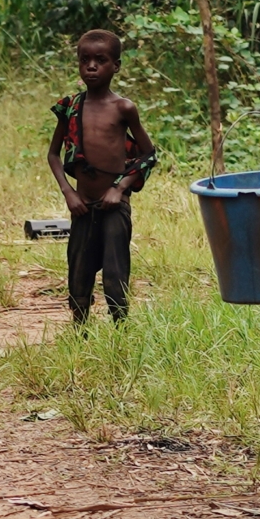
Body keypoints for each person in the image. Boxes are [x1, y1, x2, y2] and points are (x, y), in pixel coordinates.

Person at [47, 29, 157, 324]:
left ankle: (120, 334)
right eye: (85, 60)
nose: (91, 66)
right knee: (79, 275)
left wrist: (119, 188)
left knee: (115, 273)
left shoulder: (123, 108)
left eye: (100, 60)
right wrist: (69, 193)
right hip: (82, 206)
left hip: (113, 208)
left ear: (116, 66)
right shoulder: (70, 107)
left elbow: (149, 154)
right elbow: (53, 155)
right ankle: (79, 335)